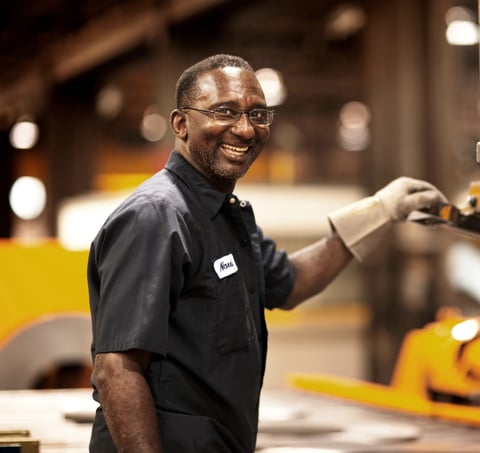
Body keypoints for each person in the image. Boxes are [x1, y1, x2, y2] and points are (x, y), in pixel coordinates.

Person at [87, 53, 448, 452]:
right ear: (180, 123)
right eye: (224, 112)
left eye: (258, 115)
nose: (244, 130)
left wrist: (378, 211)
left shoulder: (227, 217)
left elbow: (290, 282)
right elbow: (117, 370)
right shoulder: (157, 217)